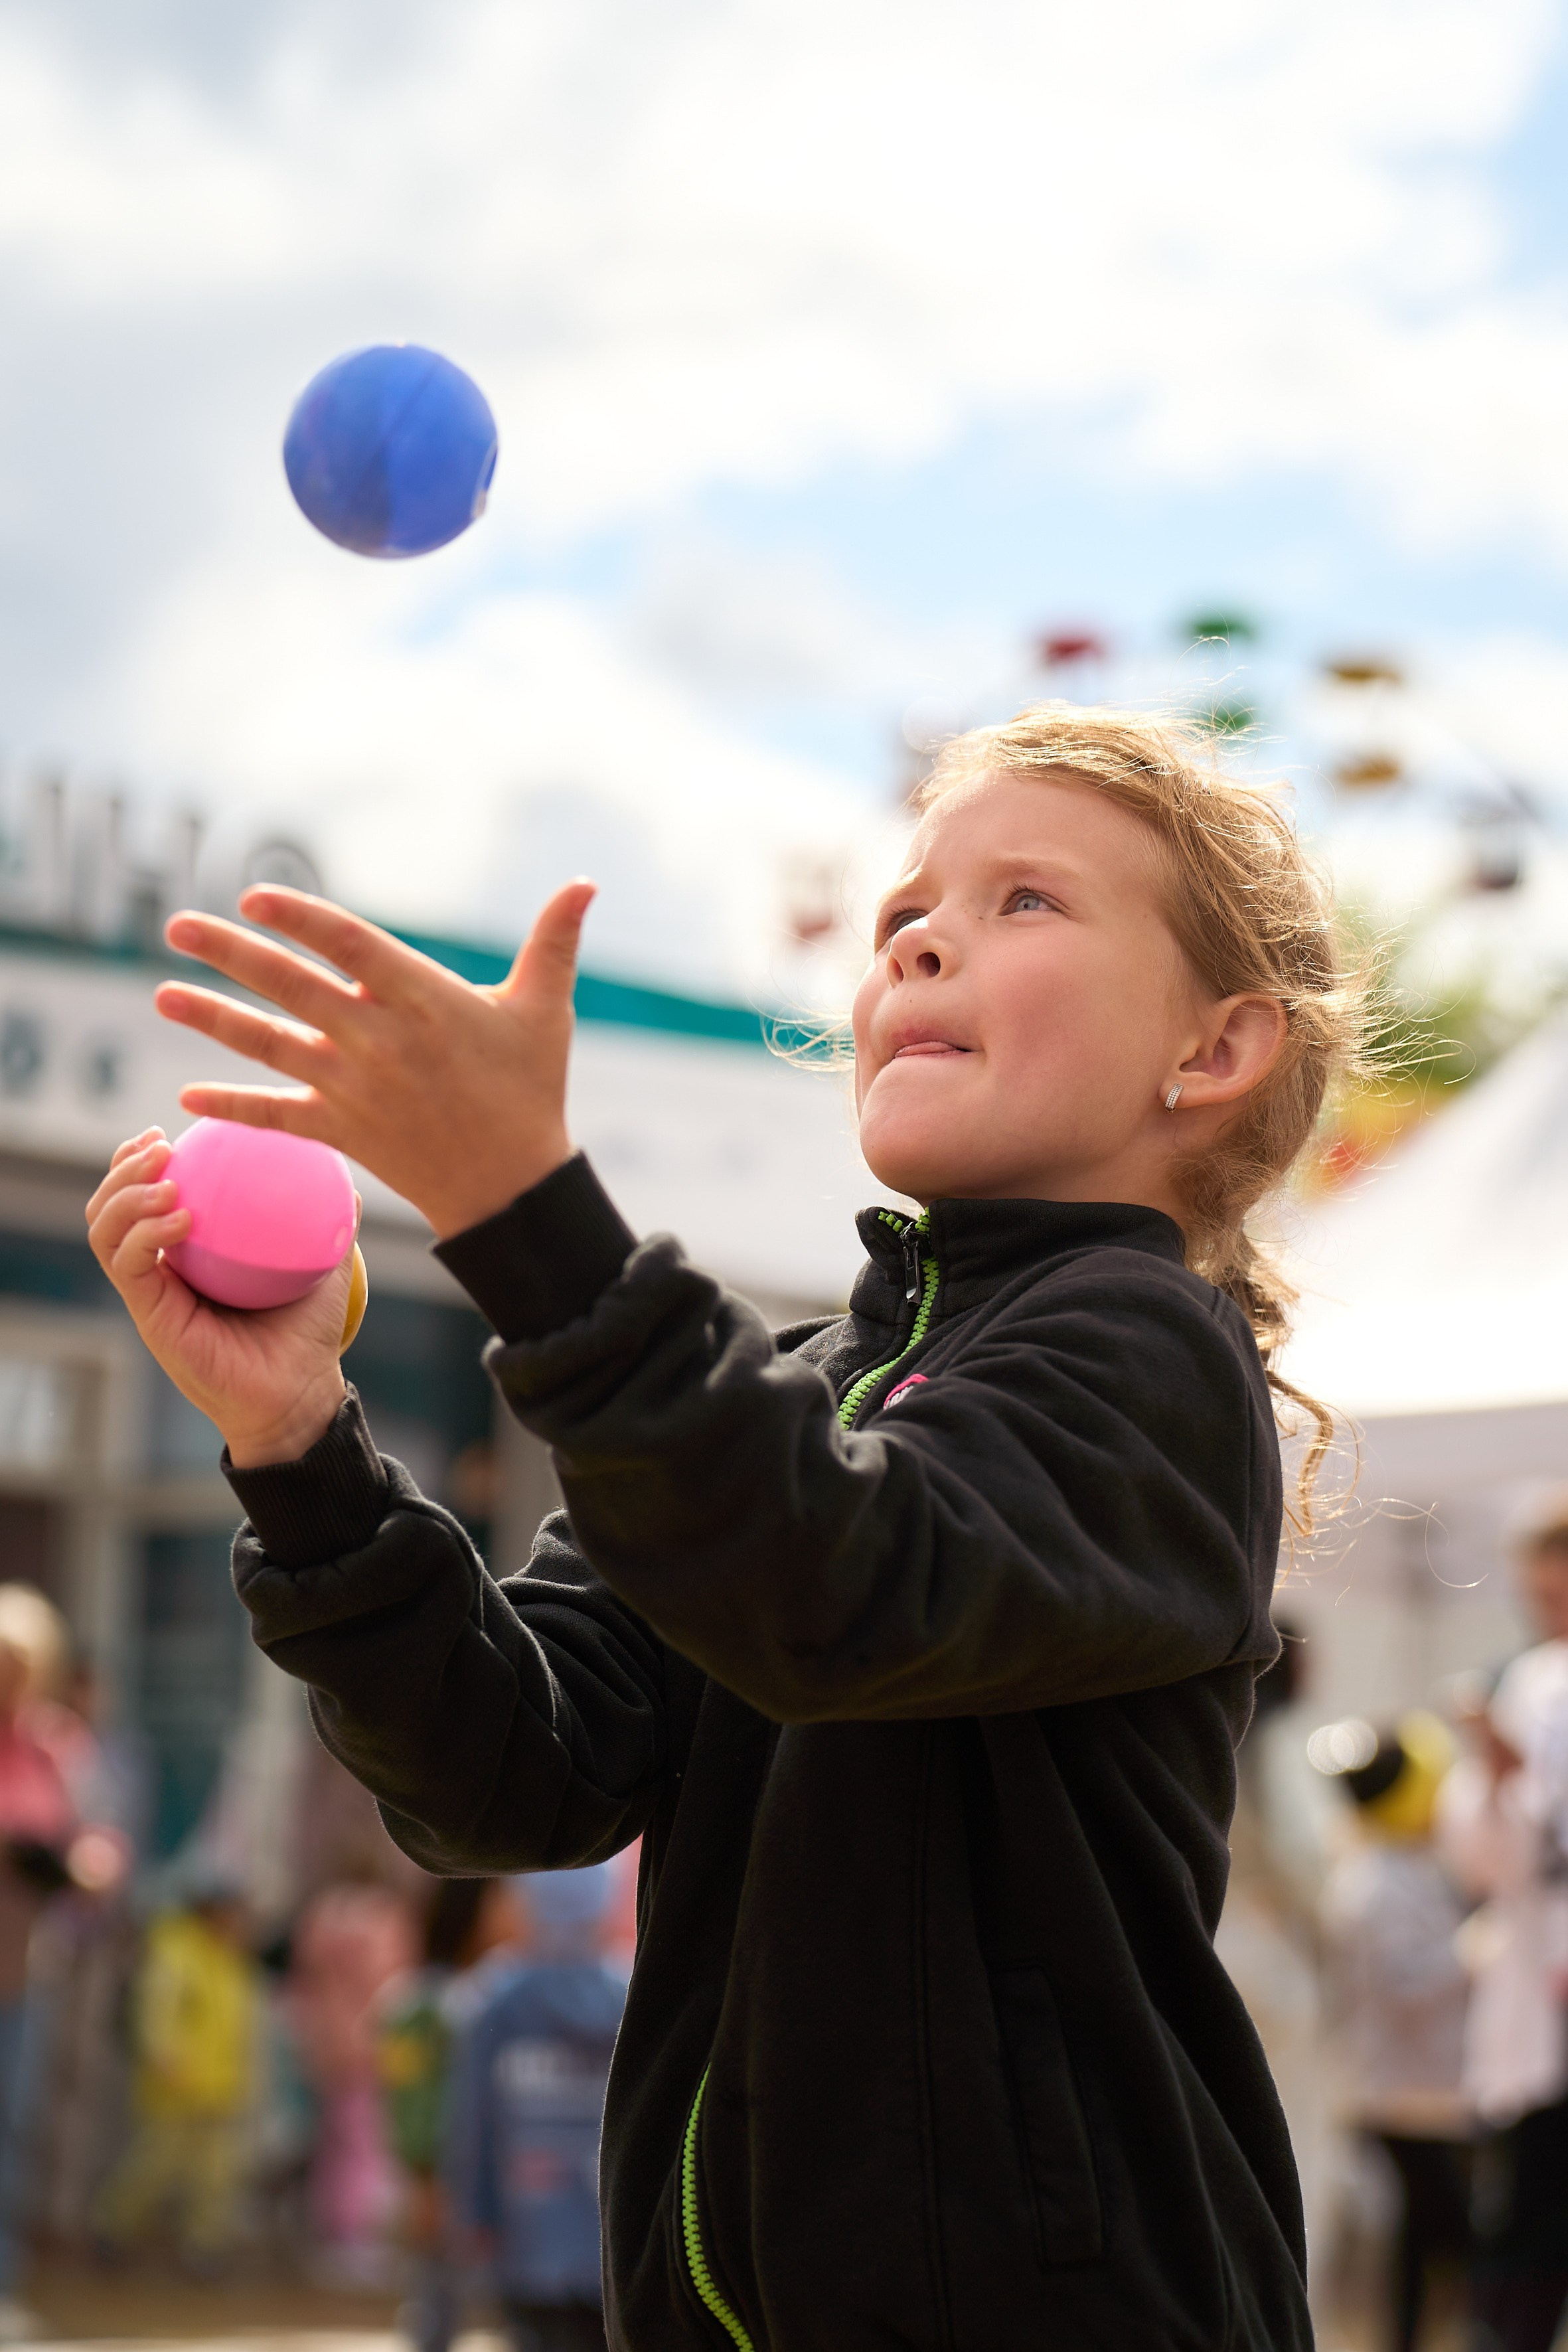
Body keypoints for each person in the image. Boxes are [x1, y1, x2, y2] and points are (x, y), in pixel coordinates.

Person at [84, 702, 1372, 2348]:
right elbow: (507, 1777)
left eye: (1020, 902)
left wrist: (522, 1209)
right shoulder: (786, 1390)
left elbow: (840, 1590)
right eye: (906, 915)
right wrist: (298, 1441)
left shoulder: (1148, 1359)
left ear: (1212, 1050)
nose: (918, 947)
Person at [1437, 1499, 1568, 2352]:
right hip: (1542, 1994)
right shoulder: (1528, 1684)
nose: (1549, 1613)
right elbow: (1482, 1862)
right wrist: (1497, 1778)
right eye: (1540, 1598)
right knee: (1528, 2216)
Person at [1316, 1713, 1472, 2352]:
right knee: (1445, 2231)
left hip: (1424, 2087)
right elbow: (1403, 1985)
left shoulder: (1402, 1867)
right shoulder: (1371, 1883)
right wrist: (1475, 1954)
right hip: (1398, 2090)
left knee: (1425, 2234)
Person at [445, 1865, 625, 2352]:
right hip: (615, 2246)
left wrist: (474, 2213)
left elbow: (474, 2125)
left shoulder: (497, 2000)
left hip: (527, 2238)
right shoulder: (629, 1995)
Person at [379, 1875, 528, 2352]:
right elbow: (412, 2101)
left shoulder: (499, 1992)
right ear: (472, 1914)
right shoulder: (424, 2004)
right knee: (439, 2306)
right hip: (447, 2182)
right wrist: (423, 2178)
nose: (518, 1916)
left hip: (494, 2180)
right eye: (505, 1903)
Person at [94, 1879, 260, 2274]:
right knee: (155, 2164)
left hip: (218, 2086)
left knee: (216, 2175)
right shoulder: (177, 1952)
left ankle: (205, 2248)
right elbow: (156, 2011)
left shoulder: (228, 1958)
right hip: (177, 2085)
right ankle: (112, 2228)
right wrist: (164, 2056)